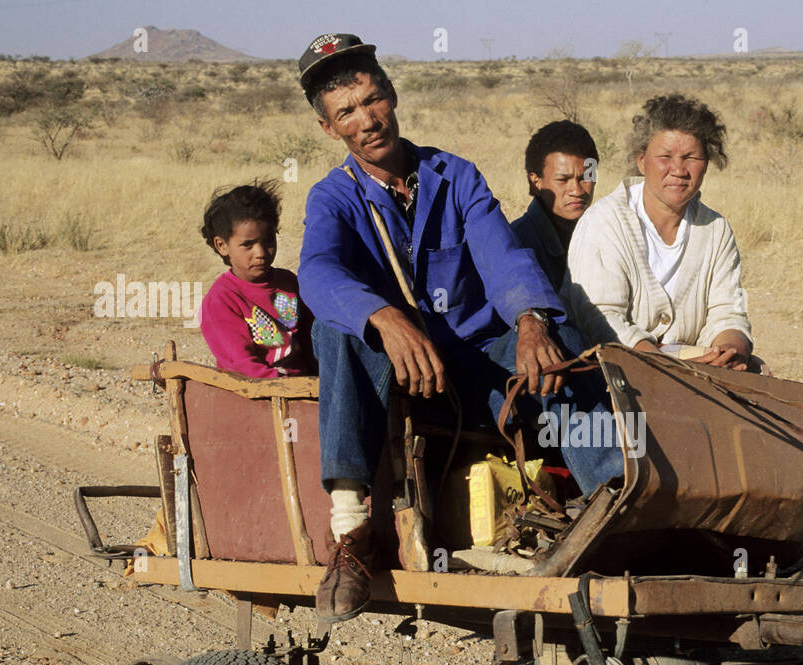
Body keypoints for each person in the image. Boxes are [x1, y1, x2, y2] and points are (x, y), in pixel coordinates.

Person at [295, 33, 622, 623]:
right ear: (329, 128)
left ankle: (613, 508)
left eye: (373, 100)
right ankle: (351, 534)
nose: (367, 120)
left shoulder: (455, 176)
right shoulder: (333, 198)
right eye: (347, 113)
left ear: (392, 96)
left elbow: (502, 255)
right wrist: (384, 316)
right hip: (397, 383)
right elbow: (317, 273)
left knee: (561, 343)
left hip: (474, 368)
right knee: (338, 329)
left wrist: (528, 320)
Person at [565, 93, 757, 372]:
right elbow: (600, 318)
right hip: (610, 373)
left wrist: (730, 350)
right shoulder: (604, 222)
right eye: (665, 157)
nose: (678, 170)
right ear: (642, 161)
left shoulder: (716, 230)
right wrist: (661, 363)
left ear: (707, 162)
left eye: (691, 157)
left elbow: (728, 311)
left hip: (696, 370)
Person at [197, 180, 316, 377]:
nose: (260, 252)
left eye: (268, 240)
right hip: (258, 394)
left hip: (303, 387)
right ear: (222, 245)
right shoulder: (222, 299)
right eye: (248, 244)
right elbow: (240, 365)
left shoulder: (288, 283)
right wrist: (286, 390)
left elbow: (312, 341)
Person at [510, 120, 598, 295]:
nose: (577, 191)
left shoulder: (605, 231)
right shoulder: (518, 245)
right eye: (563, 180)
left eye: (584, 178)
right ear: (536, 182)